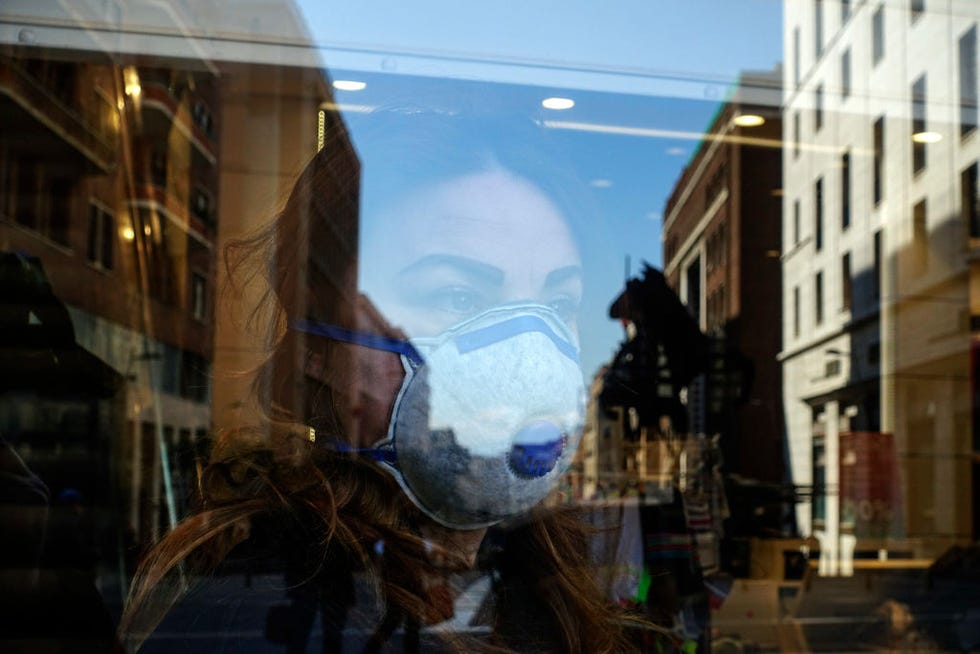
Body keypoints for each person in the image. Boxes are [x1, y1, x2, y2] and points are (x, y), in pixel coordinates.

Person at [120, 109, 652, 652]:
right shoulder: (262, 617)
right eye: (457, 298)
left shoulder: (533, 581)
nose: (526, 360)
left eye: (557, 303)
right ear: (317, 346)